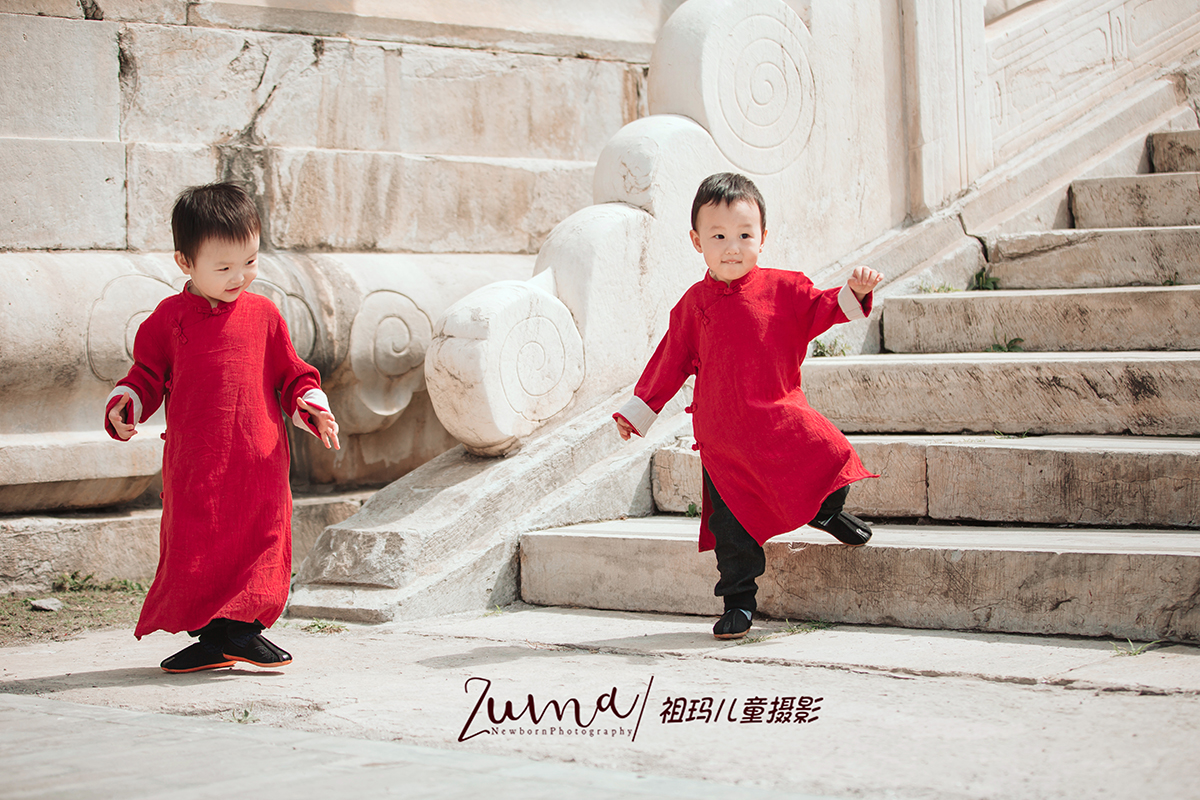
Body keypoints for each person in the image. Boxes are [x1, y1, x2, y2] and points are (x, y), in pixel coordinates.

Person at [613, 172, 882, 640]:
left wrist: (855, 291)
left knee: (834, 455)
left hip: (781, 419)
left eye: (744, 235)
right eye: (718, 236)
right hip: (725, 441)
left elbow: (827, 307)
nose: (732, 247)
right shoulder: (694, 305)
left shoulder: (785, 289)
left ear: (763, 237)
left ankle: (823, 511)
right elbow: (669, 360)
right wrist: (638, 411)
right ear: (697, 241)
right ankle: (738, 603)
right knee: (732, 529)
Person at [104, 182, 340, 673]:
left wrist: (312, 407)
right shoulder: (169, 319)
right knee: (198, 544)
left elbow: (292, 375)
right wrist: (127, 403)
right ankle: (215, 639)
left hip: (259, 460)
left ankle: (243, 631)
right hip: (197, 462)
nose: (240, 276)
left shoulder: (264, 314)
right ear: (185, 262)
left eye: (250, 261)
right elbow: (145, 374)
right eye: (224, 267)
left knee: (261, 537)